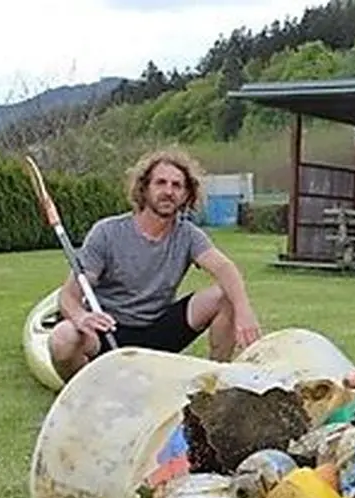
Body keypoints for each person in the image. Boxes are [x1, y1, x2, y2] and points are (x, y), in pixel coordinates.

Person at [48, 148, 262, 382]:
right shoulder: (107, 232)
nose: (168, 191)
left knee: (225, 295)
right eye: (160, 183)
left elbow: (224, 268)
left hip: (158, 332)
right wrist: (80, 317)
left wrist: (243, 310)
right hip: (108, 331)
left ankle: (215, 385)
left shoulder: (188, 235)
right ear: (145, 188)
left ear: (186, 194)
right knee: (62, 339)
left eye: (177, 185)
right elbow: (68, 295)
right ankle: (85, 392)